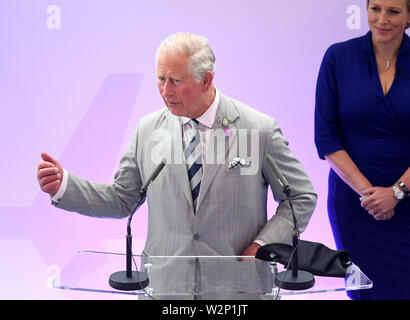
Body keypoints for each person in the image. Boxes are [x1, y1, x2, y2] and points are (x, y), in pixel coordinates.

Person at [38, 32, 317, 258]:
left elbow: (301, 197)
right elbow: (123, 199)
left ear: (206, 80)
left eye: (176, 81)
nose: (165, 91)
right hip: (165, 288)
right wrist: (64, 186)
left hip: (237, 291)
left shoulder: (258, 130)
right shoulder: (147, 131)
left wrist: (261, 247)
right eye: (161, 79)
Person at [315, 0, 410, 299]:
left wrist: (396, 193)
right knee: (364, 291)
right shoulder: (338, 58)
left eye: (394, 11)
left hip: (408, 201)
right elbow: (326, 138)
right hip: (355, 205)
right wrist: (371, 195)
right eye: (375, 9)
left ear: (409, 18)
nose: (382, 19)